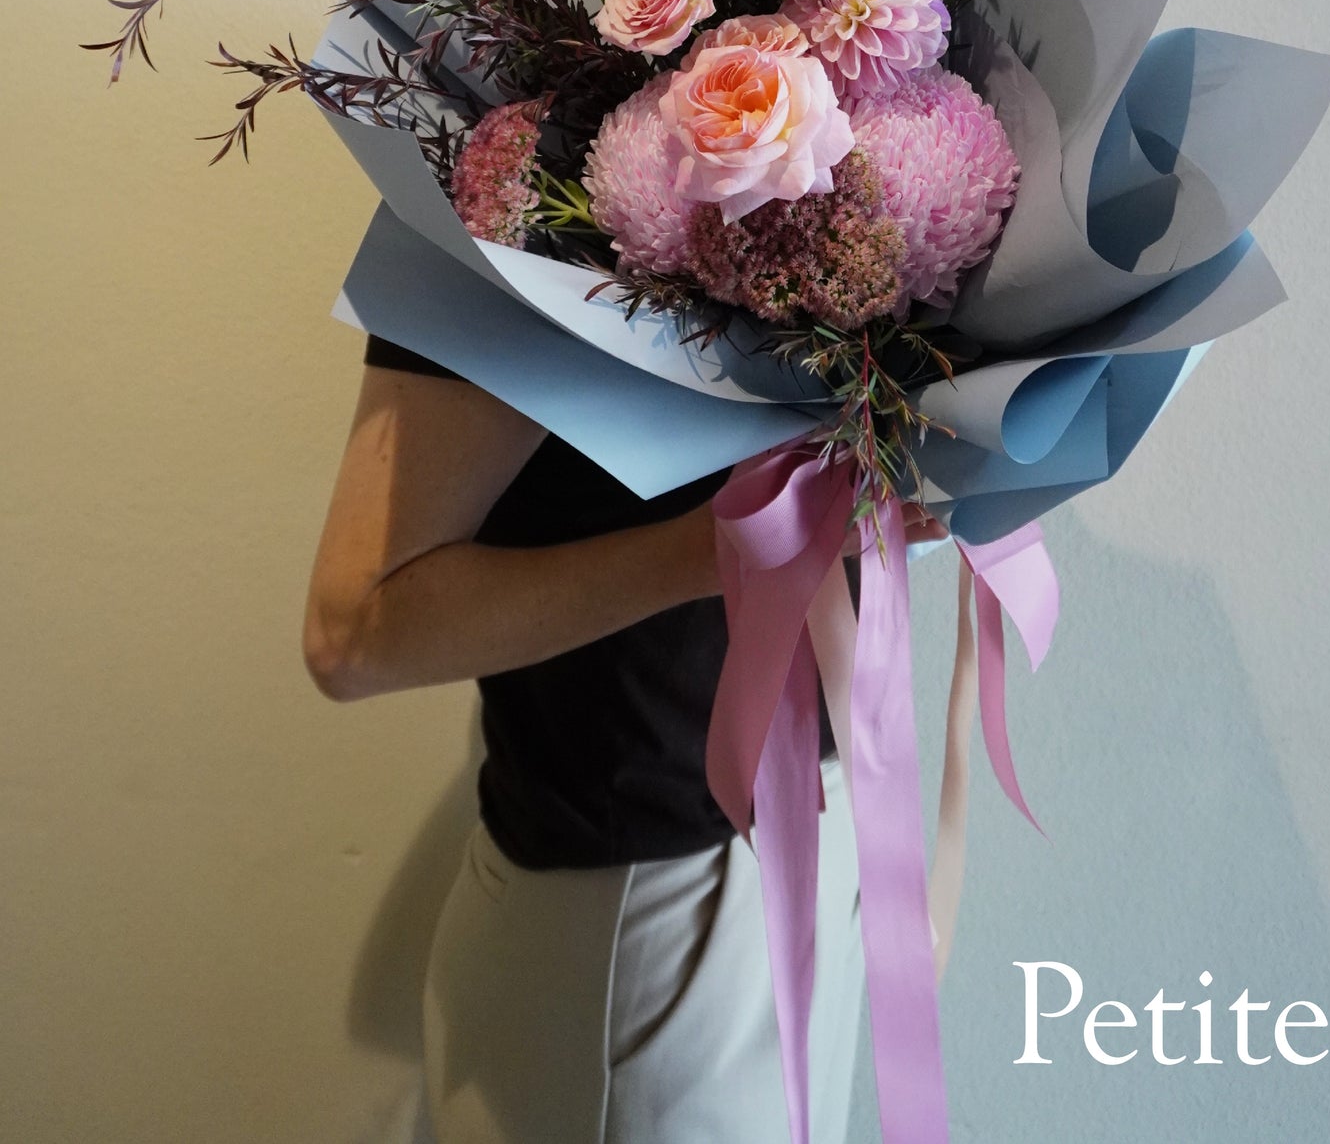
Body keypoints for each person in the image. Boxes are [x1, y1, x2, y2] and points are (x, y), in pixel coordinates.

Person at [303, 333, 945, 1143]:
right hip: (646, 911)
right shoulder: (512, 245)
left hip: (815, 820)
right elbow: (353, 631)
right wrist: (723, 547)